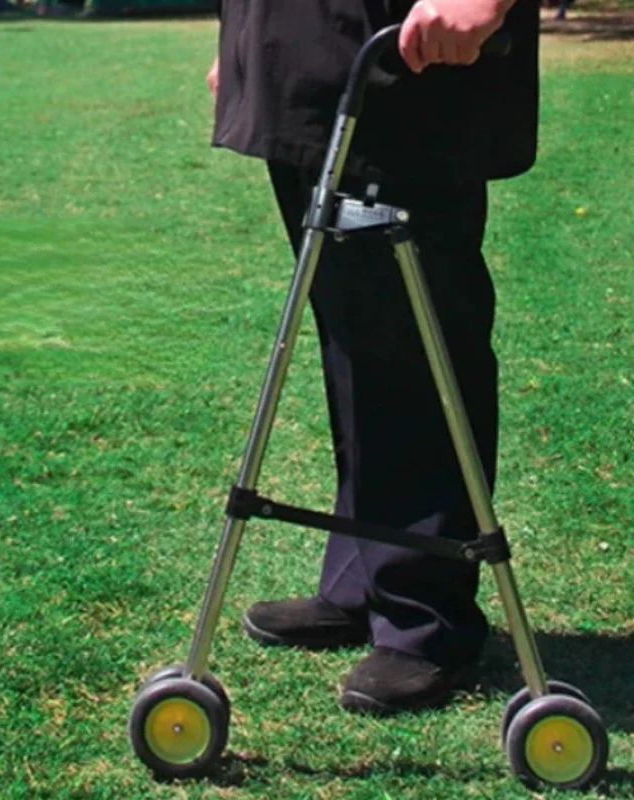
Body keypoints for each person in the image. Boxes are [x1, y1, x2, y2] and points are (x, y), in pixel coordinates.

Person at [206, 0, 539, 714]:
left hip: (407, 59)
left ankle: (426, 612)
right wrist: (243, 43)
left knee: (419, 339)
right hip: (303, 54)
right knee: (354, 329)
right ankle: (365, 574)